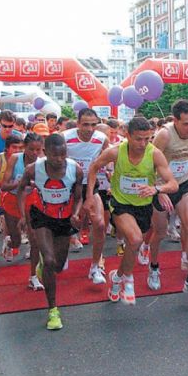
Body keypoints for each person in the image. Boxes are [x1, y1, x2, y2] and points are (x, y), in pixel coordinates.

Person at [85, 116, 177, 305]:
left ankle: (117, 277)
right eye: (138, 139)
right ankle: (128, 280)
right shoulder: (116, 152)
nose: (143, 143)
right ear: (127, 135)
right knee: (135, 240)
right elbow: (93, 168)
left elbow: (173, 183)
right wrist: (88, 196)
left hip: (143, 206)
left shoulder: (155, 154)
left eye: (147, 139)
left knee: (135, 245)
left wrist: (157, 189)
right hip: (121, 204)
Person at [17, 133, 83, 330]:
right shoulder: (33, 170)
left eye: (62, 155)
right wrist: (22, 215)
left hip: (63, 218)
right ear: (45, 153)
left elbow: (79, 197)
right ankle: (53, 310)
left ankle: (43, 269)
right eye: (54, 156)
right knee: (50, 259)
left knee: (58, 265)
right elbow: (20, 190)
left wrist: (76, 214)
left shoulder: (75, 170)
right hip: (42, 216)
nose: (59, 159)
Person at [149, 99, 188, 298]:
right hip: (162, 187)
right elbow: (148, 164)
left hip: (183, 185)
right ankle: (154, 267)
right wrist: (161, 190)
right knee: (159, 232)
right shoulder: (164, 135)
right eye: (186, 123)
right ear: (175, 120)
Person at [69, 108, 110, 283]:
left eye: (93, 125)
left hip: (90, 184)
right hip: (67, 185)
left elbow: (105, 161)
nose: (89, 128)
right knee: (63, 227)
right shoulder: (65, 138)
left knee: (100, 224)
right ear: (78, 123)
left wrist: (109, 170)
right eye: (85, 124)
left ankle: (95, 267)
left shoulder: (102, 140)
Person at [1, 132, 45, 290]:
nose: (35, 153)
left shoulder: (42, 163)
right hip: (12, 200)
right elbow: (3, 185)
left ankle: (33, 276)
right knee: (17, 241)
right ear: (24, 148)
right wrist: (21, 183)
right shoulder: (15, 159)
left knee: (35, 240)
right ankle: (9, 241)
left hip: (32, 201)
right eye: (32, 149)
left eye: (38, 150)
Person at [0, 135, 24, 262]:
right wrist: (9, 184)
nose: (17, 150)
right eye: (14, 147)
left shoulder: (24, 160)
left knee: (14, 232)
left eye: (20, 147)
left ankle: (9, 245)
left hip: (12, 199)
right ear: (7, 148)